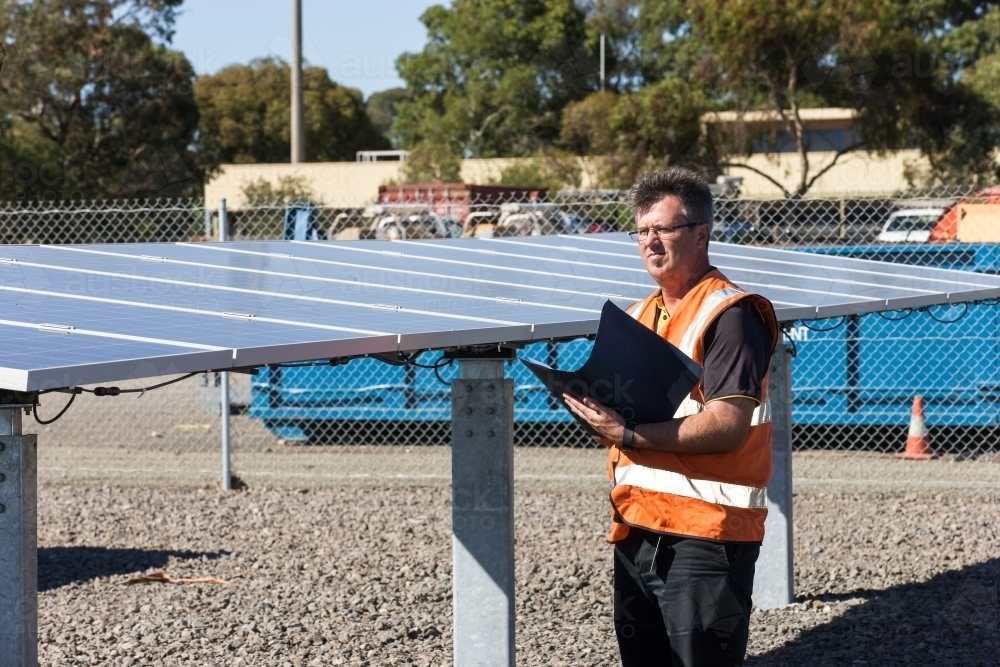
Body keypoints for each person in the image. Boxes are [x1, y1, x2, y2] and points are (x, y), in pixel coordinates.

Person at [563, 167, 778, 667]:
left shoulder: (732, 315)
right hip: (637, 527)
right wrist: (599, 419)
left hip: (706, 536)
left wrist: (629, 434)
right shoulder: (637, 315)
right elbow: (623, 426)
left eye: (664, 229)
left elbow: (727, 426)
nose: (651, 241)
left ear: (701, 234)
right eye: (642, 230)